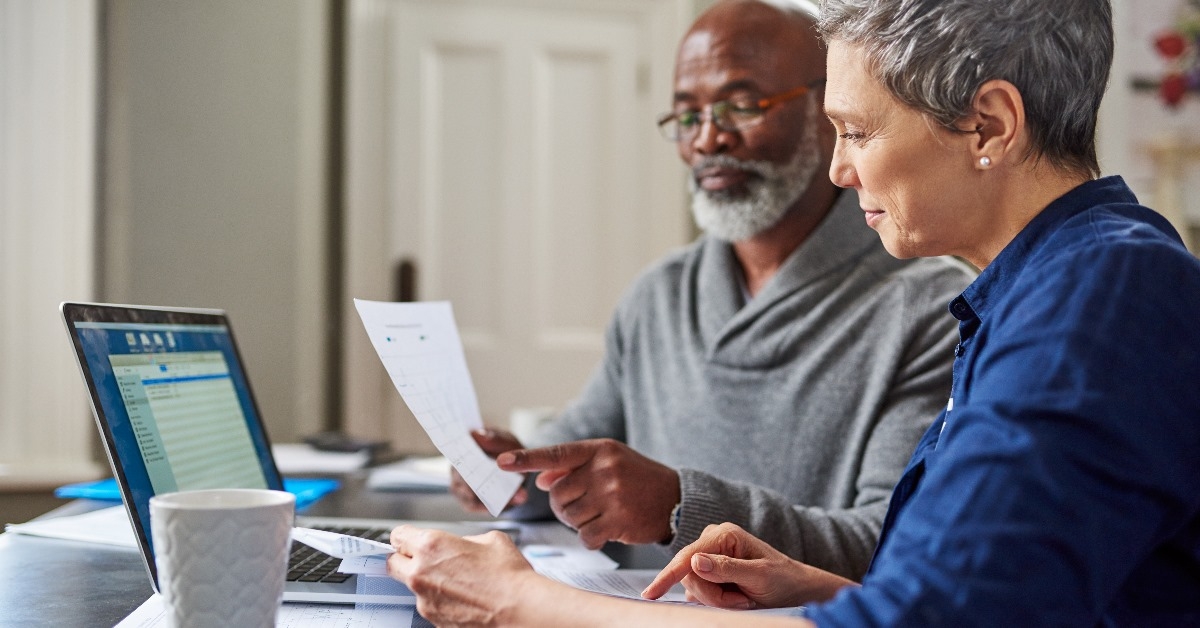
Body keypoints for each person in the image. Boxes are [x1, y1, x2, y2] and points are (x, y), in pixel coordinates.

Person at [387, 0, 1200, 624]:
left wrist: (524, 603)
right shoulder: (1037, 292)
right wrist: (814, 587)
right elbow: (975, 593)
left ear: (987, 125)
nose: (841, 170)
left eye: (856, 131)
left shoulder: (1101, 295)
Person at [450, 0, 974, 581]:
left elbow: (891, 539)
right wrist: (515, 472)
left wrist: (681, 506)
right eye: (687, 114)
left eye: (742, 106)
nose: (707, 139)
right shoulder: (659, 295)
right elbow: (578, 446)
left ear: (827, 112)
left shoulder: (935, 309)